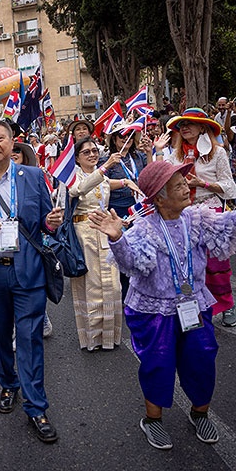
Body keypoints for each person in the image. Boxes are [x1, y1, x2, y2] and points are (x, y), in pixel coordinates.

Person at [89, 160, 226, 450]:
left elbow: (229, 227)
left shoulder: (198, 218)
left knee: (202, 358)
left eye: (183, 182)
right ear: (160, 197)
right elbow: (131, 264)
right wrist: (117, 238)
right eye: (177, 185)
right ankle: (153, 420)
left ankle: (199, 413)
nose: (186, 187)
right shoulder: (144, 228)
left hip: (194, 304)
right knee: (158, 364)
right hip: (154, 311)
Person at [0, 120, 63, 443]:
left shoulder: (32, 176)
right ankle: (8, 384)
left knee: (30, 338)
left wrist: (51, 222)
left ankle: (36, 407)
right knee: (1, 337)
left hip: (28, 269)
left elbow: (47, 224)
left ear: (11, 142)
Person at [156, 108, 236, 327]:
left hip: (212, 214)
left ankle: (228, 305)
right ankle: (199, 310)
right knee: (191, 265)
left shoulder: (218, 153)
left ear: (203, 127)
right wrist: (158, 150)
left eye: (190, 123)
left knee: (216, 264)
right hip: (186, 214)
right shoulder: (177, 155)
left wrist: (203, 184)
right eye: (182, 125)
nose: (185, 127)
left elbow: (231, 188)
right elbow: (161, 175)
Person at [68, 138, 133, 351]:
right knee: (92, 286)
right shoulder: (72, 176)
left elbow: (104, 194)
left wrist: (124, 183)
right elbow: (76, 191)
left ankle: (110, 338)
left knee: (113, 286)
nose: (92, 154)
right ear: (77, 157)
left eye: (95, 150)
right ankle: (93, 339)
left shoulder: (103, 177)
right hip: (84, 235)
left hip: (105, 233)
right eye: (86, 152)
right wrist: (105, 168)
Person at [102, 121, 151, 300]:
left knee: (141, 249)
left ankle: (142, 290)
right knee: (122, 251)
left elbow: (149, 175)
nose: (126, 139)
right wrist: (122, 181)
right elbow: (101, 184)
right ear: (114, 139)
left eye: (130, 134)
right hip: (118, 209)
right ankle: (124, 293)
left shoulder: (138, 156)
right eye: (122, 135)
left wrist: (150, 152)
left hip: (139, 209)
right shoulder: (105, 160)